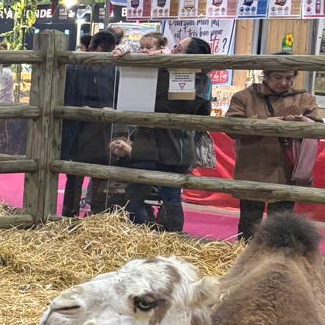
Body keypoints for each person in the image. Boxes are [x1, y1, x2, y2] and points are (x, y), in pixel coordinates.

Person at [113, 36, 208, 232]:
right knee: (136, 195)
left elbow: (183, 108)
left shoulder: (192, 79)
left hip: (173, 146)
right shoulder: (167, 70)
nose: (172, 51)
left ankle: (169, 239)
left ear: (191, 56)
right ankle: (144, 235)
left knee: (169, 196)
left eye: (178, 49)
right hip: (152, 145)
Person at [225, 52, 321, 238]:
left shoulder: (304, 99)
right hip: (253, 166)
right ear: (265, 75)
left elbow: (316, 128)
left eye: (289, 78)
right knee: (249, 223)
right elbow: (232, 128)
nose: (284, 82)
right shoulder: (243, 97)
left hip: (286, 169)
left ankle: (277, 259)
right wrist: (276, 121)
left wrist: (303, 122)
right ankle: (248, 258)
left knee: (281, 226)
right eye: (278, 77)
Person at [60, 27, 120, 217]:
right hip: (93, 129)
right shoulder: (112, 69)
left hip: (83, 129)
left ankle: (73, 215)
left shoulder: (74, 65)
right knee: (91, 176)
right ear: (103, 48)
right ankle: (94, 215)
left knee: (81, 176)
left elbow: (65, 96)